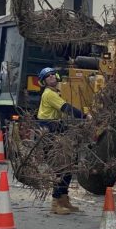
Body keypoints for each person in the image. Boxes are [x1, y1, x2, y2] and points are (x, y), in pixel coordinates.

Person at [37, 67, 85, 215]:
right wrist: (85, 116)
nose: (51, 77)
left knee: (69, 164)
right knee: (60, 166)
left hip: (56, 128)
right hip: (49, 131)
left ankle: (64, 199)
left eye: (52, 75)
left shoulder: (56, 93)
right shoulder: (49, 94)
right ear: (44, 81)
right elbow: (66, 108)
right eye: (47, 76)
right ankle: (55, 202)